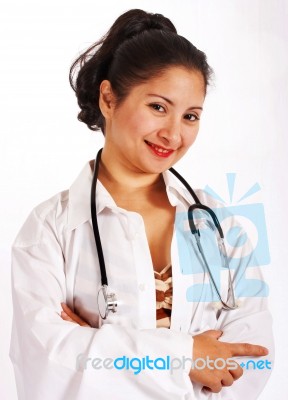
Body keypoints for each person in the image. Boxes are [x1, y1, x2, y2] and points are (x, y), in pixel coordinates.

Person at [10, 8, 273, 400]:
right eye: (158, 107)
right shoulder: (49, 229)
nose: (173, 133)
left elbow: (257, 361)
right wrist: (186, 356)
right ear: (109, 98)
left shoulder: (223, 224)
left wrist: (99, 348)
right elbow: (47, 367)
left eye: (191, 116)